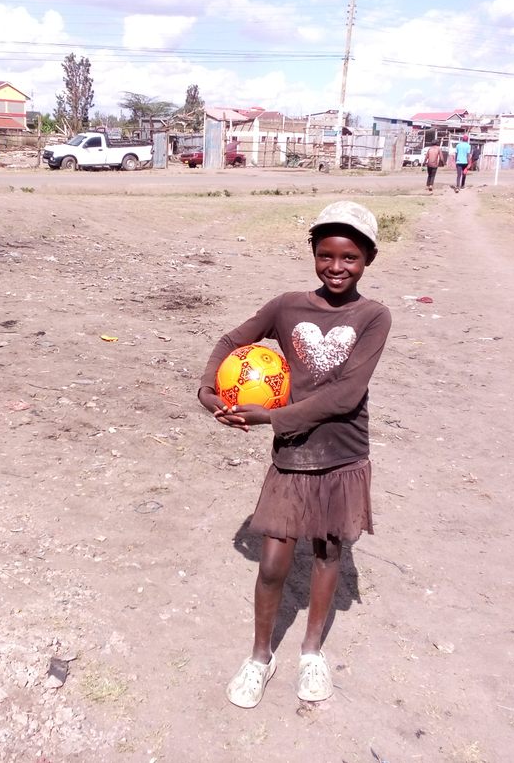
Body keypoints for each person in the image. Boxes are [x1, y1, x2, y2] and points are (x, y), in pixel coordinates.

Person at [197, 200, 392, 708]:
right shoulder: (286, 307)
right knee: (272, 564)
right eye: (326, 254)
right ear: (313, 253)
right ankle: (260, 657)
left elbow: (345, 396)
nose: (336, 267)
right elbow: (231, 340)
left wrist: (270, 418)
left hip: (344, 453)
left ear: (368, 259)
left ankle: (311, 653)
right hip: (294, 455)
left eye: (349, 257)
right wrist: (208, 391)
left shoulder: (373, 316)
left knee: (328, 554)